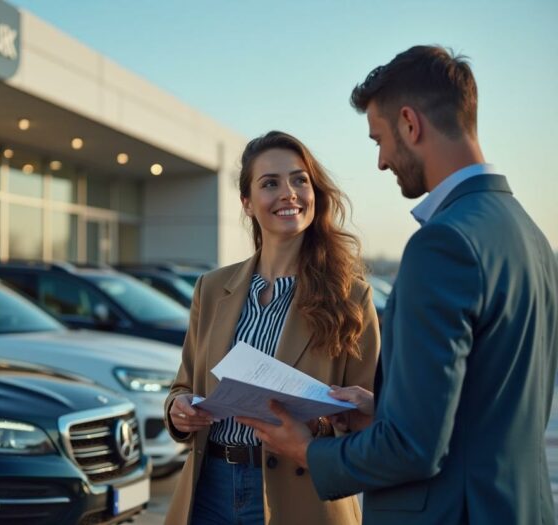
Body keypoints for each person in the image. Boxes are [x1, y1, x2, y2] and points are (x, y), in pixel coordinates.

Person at [238, 46, 558, 525]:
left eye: (379, 139)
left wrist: (307, 451)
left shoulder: (443, 243)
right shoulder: (528, 233)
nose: (382, 162)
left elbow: (413, 448)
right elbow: (485, 403)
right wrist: (381, 406)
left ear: (410, 123)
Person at [163, 131, 380, 525]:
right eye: (270, 183)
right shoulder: (211, 289)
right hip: (208, 487)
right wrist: (178, 411)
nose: (289, 193)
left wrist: (316, 428)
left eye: (300, 180)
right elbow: (183, 386)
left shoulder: (352, 299)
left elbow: (367, 418)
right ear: (247, 203)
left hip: (302, 493)